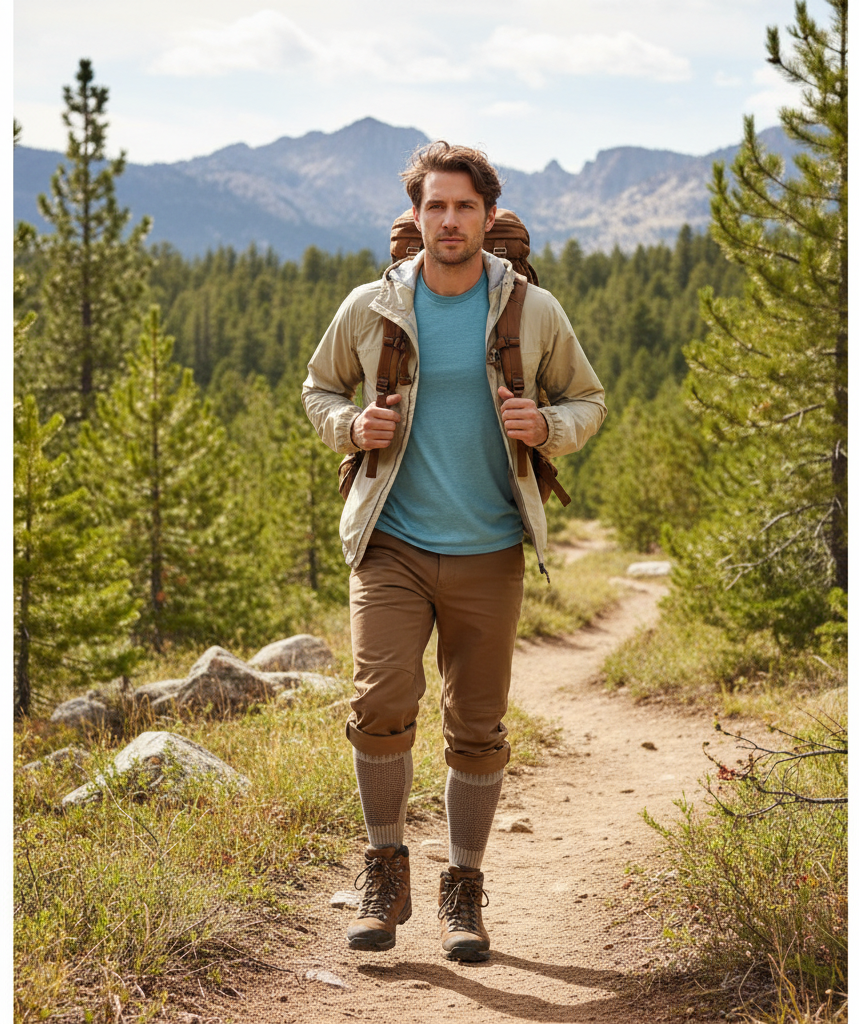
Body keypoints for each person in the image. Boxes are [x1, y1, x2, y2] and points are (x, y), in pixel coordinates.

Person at [302, 141, 606, 962]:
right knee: (379, 704)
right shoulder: (371, 306)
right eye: (434, 206)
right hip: (390, 540)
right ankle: (384, 866)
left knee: (477, 727)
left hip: (490, 549)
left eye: (463, 206)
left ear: (486, 216)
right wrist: (348, 425)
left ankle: (464, 889)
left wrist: (549, 426)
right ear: (415, 215)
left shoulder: (531, 313)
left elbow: (588, 398)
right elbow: (318, 387)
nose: (448, 220)